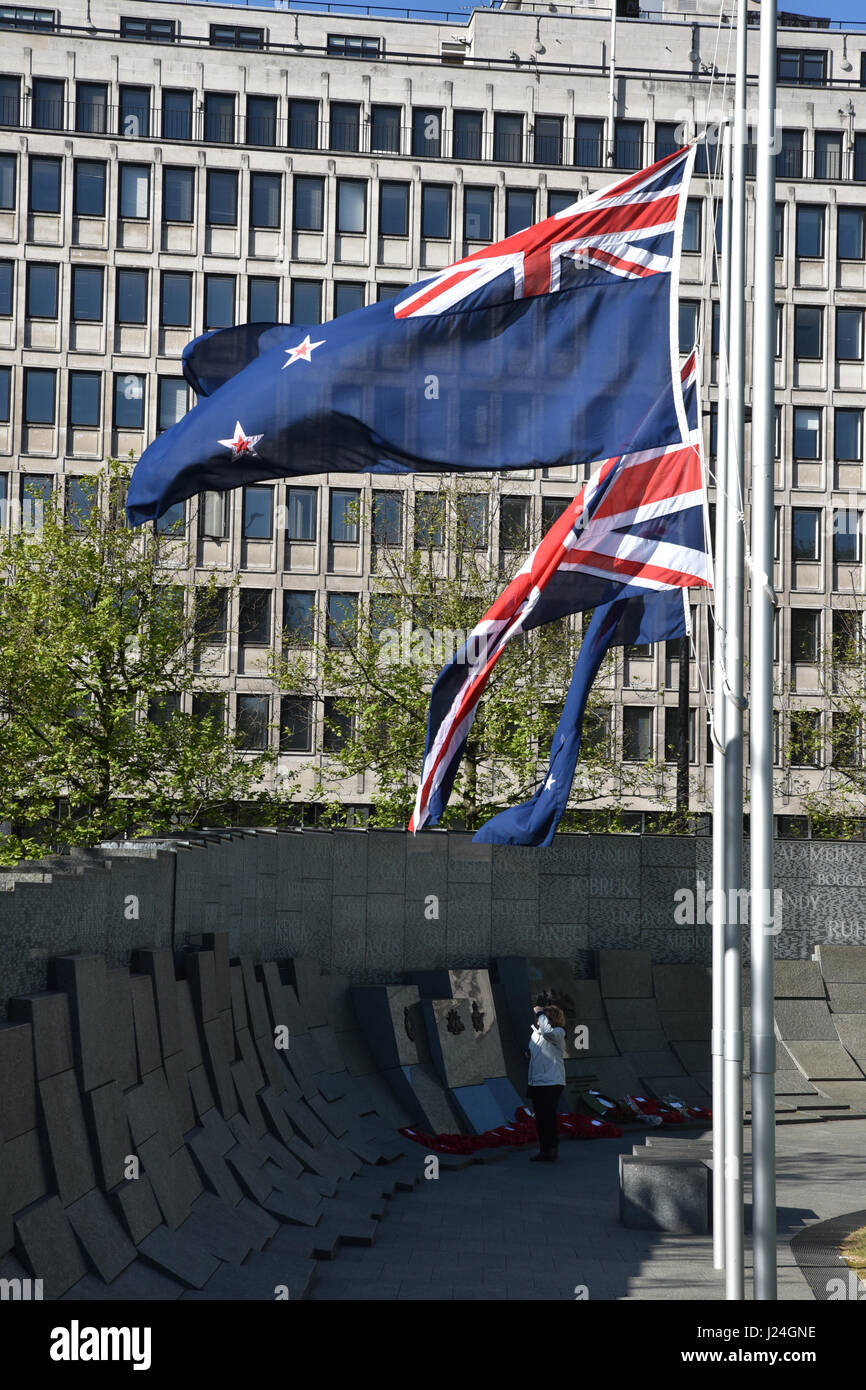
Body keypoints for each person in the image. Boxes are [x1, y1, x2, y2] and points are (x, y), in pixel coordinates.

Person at [525, 1002, 566, 1162]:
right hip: (536, 1082)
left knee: (548, 1116)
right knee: (540, 1118)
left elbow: (548, 1034)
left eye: (543, 1017)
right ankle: (544, 1150)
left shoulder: (558, 1032)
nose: (538, 1020)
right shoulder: (535, 1034)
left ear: (550, 1019)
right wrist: (528, 1054)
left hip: (552, 1081)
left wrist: (540, 1013)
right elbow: (535, 1050)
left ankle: (552, 1149)